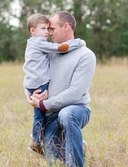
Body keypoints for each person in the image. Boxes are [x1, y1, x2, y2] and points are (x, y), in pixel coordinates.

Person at [27, 11, 95, 166]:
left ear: (66, 26)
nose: (48, 33)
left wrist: (43, 105)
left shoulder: (86, 55)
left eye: (52, 29)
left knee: (66, 114)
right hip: (51, 115)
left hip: (76, 109)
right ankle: (76, 146)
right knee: (54, 162)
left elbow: (75, 92)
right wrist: (31, 96)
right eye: (47, 29)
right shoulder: (49, 52)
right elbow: (34, 74)